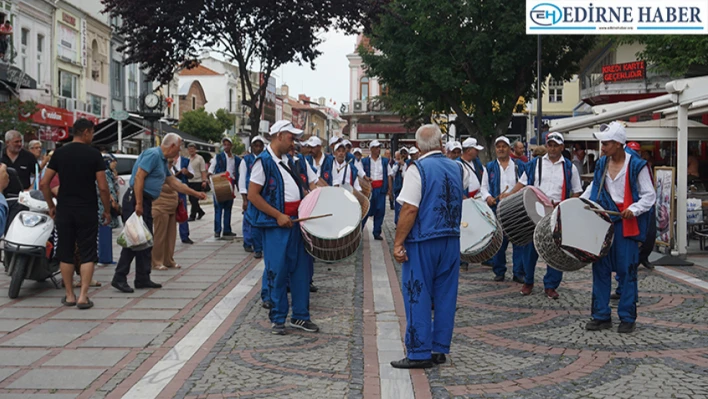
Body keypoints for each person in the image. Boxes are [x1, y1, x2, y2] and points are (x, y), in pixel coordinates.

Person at [391, 124, 465, 369]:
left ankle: (418, 352)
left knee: (417, 295)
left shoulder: (417, 168)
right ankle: (439, 348)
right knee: (445, 295)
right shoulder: (458, 167)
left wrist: (398, 242)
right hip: (451, 240)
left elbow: (410, 208)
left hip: (424, 240)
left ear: (418, 146)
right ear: (441, 142)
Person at [245, 120, 319, 335]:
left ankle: (300, 316)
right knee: (277, 271)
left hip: (298, 222)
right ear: (279, 135)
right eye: (290, 136)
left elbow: (310, 184)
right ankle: (278, 318)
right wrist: (277, 215)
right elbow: (253, 195)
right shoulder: (263, 162)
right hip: (276, 225)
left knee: (301, 270)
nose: (293, 141)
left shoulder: (292, 161)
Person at [582, 122, 655, 334]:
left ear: (618, 144)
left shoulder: (637, 165)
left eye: (606, 144)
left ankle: (627, 317)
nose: (602, 148)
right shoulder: (602, 164)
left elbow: (649, 195)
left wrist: (634, 208)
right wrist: (580, 202)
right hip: (604, 221)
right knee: (601, 268)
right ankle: (601, 315)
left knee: (627, 270)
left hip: (626, 224)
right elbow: (594, 188)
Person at [111, 134, 207, 293]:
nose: (179, 151)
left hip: (146, 201)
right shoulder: (153, 155)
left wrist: (196, 194)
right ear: (171, 146)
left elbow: (174, 183)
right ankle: (119, 277)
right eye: (179, 147)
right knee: (134, 239)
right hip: (136, 199)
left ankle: (142, 277)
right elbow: (140, 176)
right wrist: (140, 203)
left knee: (145, 241)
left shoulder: (162, 161)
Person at [39, 119, 112, 310]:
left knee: (66, 252)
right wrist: (106, 209)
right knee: (88, 252)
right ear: (86, 132)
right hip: (87, 209)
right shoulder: (94, 154)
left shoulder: (60, 153)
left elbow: (45, 183)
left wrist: (51, 205)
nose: (93, 136)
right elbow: (103, 188)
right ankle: (83, 297)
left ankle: (69, 295)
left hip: (64, 209)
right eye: (92, 133)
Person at [510, 132, 583, 299]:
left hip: (557, 213)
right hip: (535, 211)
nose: (552, 148)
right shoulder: (534, 164)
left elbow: (577, 191)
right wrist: (507, 197)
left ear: (562, 147)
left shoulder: (569, 167)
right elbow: (521, 184)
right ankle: (528, 281)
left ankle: (551, 285)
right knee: (530, 248)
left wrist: (565, 206)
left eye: (556, 145)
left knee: (556, 250)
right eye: (550, 144)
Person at [481, 136, 526, 281]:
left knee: (518, 242)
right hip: (497, 209)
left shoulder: (519, 166)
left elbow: (525, 184)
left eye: (504, 146)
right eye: (498, 146)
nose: (501, 149)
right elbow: (483, 187)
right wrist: (488, 197)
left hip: (516, 209)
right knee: (499, 243)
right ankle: (499, 271)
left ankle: (518, 272)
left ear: (509, 149)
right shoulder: (490, 167)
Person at [151, 157, 182, 270]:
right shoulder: (156, 172)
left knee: (171, 235)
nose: (170, 164)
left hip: (172, 207)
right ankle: (156, 261)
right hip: (160, 207)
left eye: (171, 163)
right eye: (168, 162)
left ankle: (168, 259)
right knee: (160, 236)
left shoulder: (170, 172)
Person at [239, 136, 266, 259]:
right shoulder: (246, 160)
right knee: (251, 221)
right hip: (251, 196)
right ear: (252, 147)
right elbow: (242, 179)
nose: (258, 148)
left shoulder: (266, 159)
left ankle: (260, 245)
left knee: (262, 222)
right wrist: (245, 199)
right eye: (256, 145)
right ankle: (252, 245)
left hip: (264, 197)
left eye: (260, 146)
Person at [209, 137, 241, 239]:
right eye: (224, 144)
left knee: (228, 208)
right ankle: (217, 231)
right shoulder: (218, 157)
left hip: (231, 183)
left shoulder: (236, 159)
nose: (226, 146)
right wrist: (211, 181)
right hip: (220, 182)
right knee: (218, 208)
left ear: (231, 146)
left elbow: (238, 172)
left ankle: (227, 230)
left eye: (228, 144)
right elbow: (211, 170)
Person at [361, 140, 389, 240]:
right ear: (371, 149)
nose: (378, 149)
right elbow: (361, 175)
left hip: (381, 188)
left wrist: (388, 189)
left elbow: (388, 175)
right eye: (376, 147)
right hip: (370, 189)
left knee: (380, 211)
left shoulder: (385, 161)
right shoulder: (364, 161)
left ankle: (377, 232)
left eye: (379, 147)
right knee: (366, 210)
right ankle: (359, 231)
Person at [97, 154, 121, 266]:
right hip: (104, 205)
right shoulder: (105, 174)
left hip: (106, 205)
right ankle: (104, 258)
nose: (114, 164)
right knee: (105, 230)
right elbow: (107, 189)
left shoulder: (110, 174)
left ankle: (107, 257)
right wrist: (112, 202)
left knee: (107, 230)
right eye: (112, 162)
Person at [173, 153, 194, 244]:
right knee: (169, 214)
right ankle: (169, 236)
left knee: (183, 211)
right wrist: (179, 172)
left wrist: (186, 172)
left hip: (181, 188)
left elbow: (191, 175)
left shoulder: (185, 161)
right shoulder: (165, 159)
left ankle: (184, 235)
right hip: (169, 189)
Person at [187, 143, 207, 221]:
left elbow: (203, 170)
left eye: (193, 148)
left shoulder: (200, 158)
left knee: (195, 199)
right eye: (189, 149)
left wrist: (204, 180)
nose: (191, 150)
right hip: (190, 181)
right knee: (191, 199)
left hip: (198, 180)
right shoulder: (188, 159)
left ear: (195, 149)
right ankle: (200, 211)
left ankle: (192, 215)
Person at [389, 150, 406, 224]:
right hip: (398, 188)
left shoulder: (407, 163)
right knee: (397, 206)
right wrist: (398, 165)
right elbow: (392, 173)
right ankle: (397, 221)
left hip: (405, 188)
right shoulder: (395, 164)